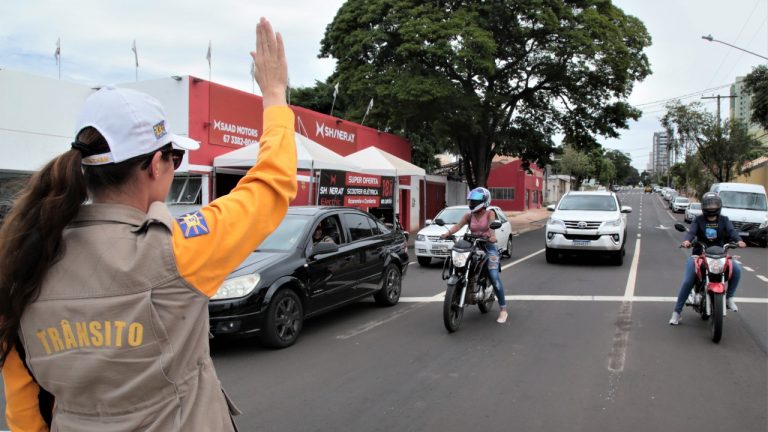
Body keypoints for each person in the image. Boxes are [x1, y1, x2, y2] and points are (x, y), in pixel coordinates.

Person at [0, 17, 295, 431]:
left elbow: (23, 408)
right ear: (156, 164)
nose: (175, 167)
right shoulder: (176, 249)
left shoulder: (22, 261)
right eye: (174, 158)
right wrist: (275, 95)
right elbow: (272, 186)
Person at [669, 192, 745, 325]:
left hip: (721, 255)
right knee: (688, 281)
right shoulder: (698, 220)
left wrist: (739, 241)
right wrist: (687, 241)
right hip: (699, 255)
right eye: (708, 204)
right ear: (703, 206)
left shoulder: (724, 220)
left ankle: (729, 297)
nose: (711, 207)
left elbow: (732, 232)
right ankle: (676, 312)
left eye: (714, 204)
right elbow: (691, 232)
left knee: (737, 269)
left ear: (719, 205)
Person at [440, 187, 509, 323]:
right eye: (471, 200)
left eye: (475, 201)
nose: (472, 203)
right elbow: (458, 226)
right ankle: (460, 289)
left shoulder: (490, 214)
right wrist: (448, 233)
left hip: (488, 246)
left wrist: (492, 236)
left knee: (494, 276)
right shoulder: (469, 215)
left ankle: (503, 310)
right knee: (459, 262)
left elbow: (491, 227)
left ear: (484, 201)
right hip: (472, 245)